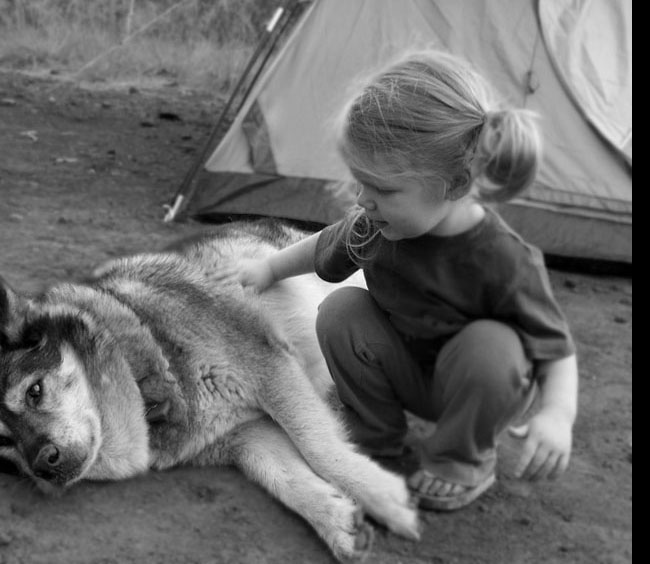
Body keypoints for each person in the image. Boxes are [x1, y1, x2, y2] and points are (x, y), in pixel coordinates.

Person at [215, 50, 578, 512]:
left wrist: (557, 414)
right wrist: (269, 269)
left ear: (456, 183)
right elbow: (324, 243)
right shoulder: (377, 225)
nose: (363, 200)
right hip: (409, 373)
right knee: (342, 309)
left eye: (383, 189)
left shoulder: (503, 258)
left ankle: (461, 460)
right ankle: (376, 436)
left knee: (493, 343)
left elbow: (556, 349)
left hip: (479, 389)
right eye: (360, 181)